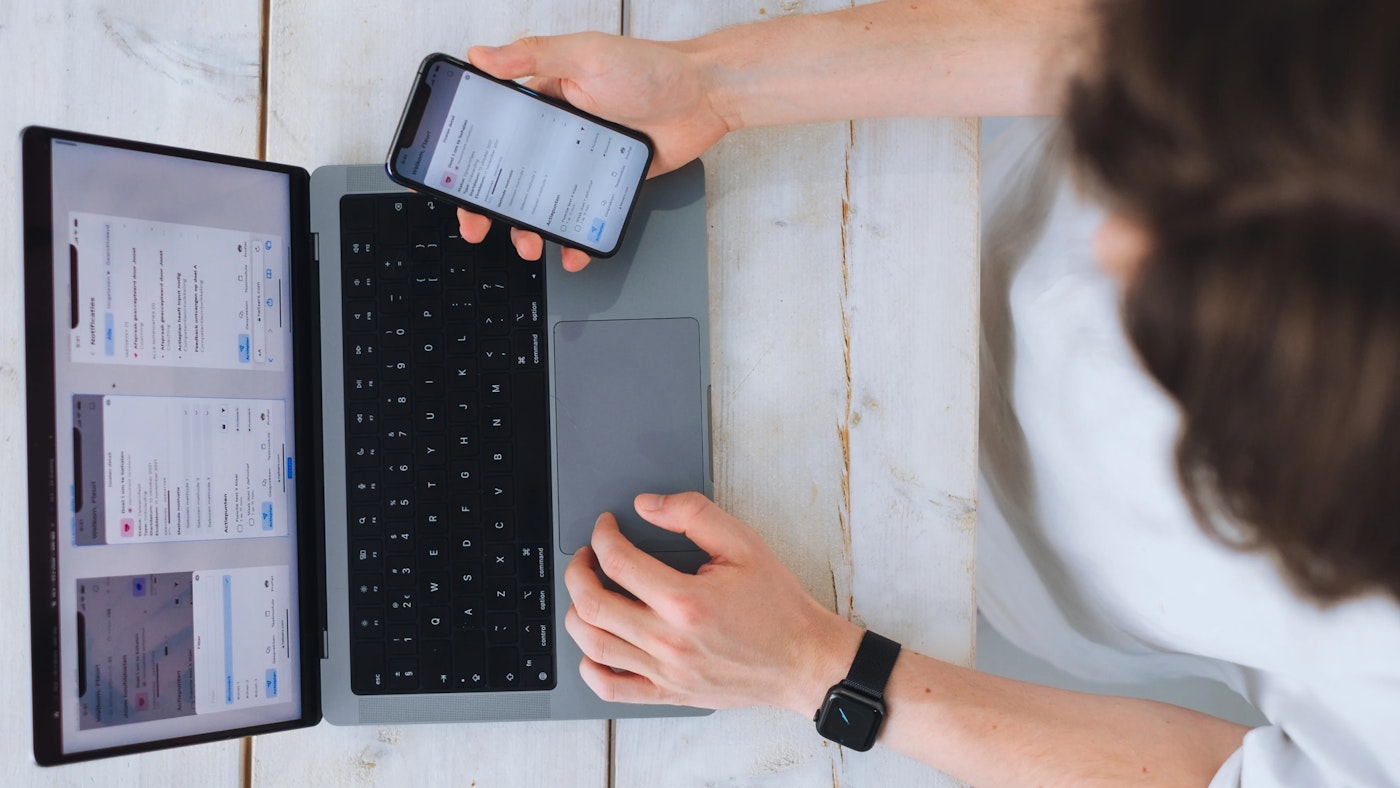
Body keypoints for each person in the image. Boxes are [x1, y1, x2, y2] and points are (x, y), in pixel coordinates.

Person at [457, 1, 1400, 785]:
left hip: (953, 572)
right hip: (924, 188)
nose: (1099, 247)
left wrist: (820, 669)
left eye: (1169, 305)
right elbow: (1133, 39)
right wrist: (714, 83)